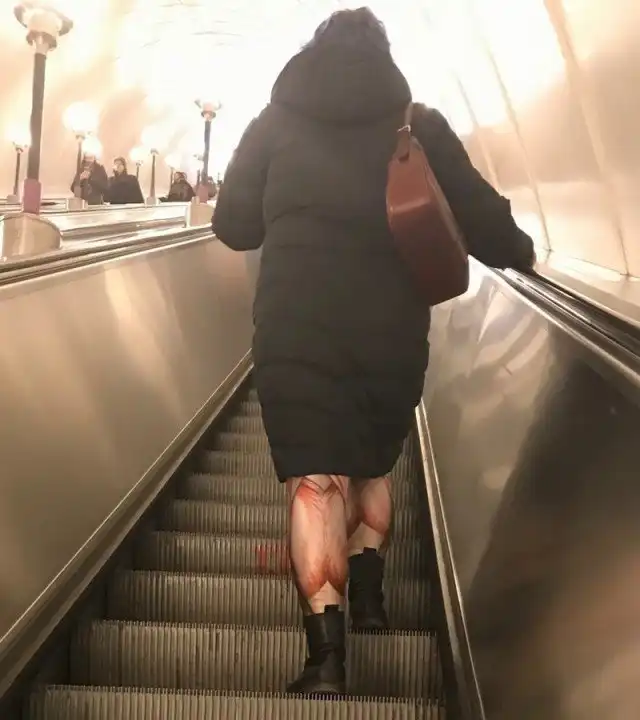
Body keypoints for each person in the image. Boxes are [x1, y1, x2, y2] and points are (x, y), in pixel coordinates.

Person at [212, 7, 535, 697]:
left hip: (296, 329)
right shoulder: (416, 126)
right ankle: (370, 600)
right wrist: (526, 253)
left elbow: (233, 225)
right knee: (370, 464)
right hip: (389, 332)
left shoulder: (274, 123)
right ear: (384, 59)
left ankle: (326, 661)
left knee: (315, 481)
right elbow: (484, 219)